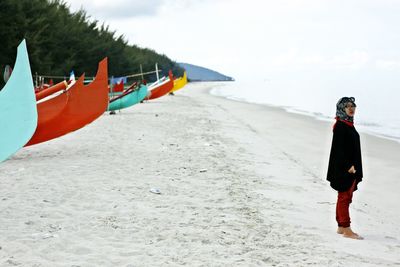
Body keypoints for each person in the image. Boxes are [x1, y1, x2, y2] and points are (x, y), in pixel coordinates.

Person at [327, 97, 363, 240]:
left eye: (353, 106)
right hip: (346, 168)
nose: (351, 108)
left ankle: (341, 227)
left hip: (348, 167)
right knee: (344, 196)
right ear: (342, 108)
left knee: (344, 197)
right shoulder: (341, 126)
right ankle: (347, 229)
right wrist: (349, 166)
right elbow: (339, 150)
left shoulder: (347, 124)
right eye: (347, 106)